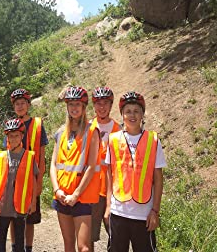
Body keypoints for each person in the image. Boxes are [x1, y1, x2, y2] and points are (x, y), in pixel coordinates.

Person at [104, 91, 166, 252]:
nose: (132, 115)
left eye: (136, 111)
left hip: (144, 215)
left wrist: (155, 211)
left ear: (142, 114)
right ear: (122, 115)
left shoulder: (153, 140)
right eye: (128, 111)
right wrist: (108, 206)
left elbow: (158, 178)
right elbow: (109, 175)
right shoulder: (113, 139)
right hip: (118, 212)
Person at [50, 86, 101, 252]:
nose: (74, 108)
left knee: (84, 247)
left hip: (82, 196)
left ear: (84, 107)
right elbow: (53, 165)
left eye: (78, 104)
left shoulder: (92, 131)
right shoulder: (60, 132)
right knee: (68, 244)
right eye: (71, 104)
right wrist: (57, 190)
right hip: (62, 195)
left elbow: (92, 166)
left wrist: (76, 194)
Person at [8, 88, 48, 252]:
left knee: (30, 218)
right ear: (14, 106)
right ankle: (14, 247)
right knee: (12, 216)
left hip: (32, 177)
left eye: (23, 103)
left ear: (28, 105)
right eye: (17, 104)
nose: (20, 106)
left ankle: (28, 248)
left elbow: (42, 153)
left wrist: (39, 181)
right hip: (15, 177)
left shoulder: (38, 124)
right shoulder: (11, 125)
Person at [0, 118, 38, 252]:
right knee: (0, 241)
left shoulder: (29, 156)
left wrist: (33, 202)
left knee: (19, 242)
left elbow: (33, 180)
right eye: (11, 136)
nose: (14, 138)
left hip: (21, 205)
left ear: (22, 136)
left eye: (17, 135)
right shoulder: (2, 156)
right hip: (4, 206)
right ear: (7, 138)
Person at [89, 87, 121, 250]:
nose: (102, 107)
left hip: (113, 187)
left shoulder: (119, 129)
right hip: (92, 188)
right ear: (94, 105)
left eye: (106, 103)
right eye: (99, 103)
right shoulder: (87, 127)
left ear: (111, 105)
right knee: (89, 235)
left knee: (114, 231)